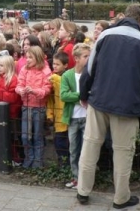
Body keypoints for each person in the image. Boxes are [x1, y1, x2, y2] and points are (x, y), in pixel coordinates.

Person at [76, 4, 140, 209]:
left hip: (99, 101)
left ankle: (82, 191)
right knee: (123, 152)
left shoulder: (105, 35)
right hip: (128, 106)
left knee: (90, 146)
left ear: (125, 16)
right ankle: (120, 198)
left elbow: (89, 68)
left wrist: (84, 95)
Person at [60, 43, 92, 190]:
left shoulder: (91, 74)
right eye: (86, 56)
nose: (89, 58)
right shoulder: (67, 75)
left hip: (88, 118)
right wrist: (81, 96)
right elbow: (64, 95)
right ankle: (75, 177)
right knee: (74, 149)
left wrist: (84, 97)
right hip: (73, 118)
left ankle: (86, 179)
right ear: (77, 58)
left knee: (88, 151)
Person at [16, 46, 52, 168]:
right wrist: (21, 91)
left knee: (37, 135)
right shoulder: (24, 70)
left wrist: (34, 91)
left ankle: (38, 161)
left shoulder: (46, 71)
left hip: (39, 108)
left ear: (38, 57)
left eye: (30, 57)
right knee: (25, 136)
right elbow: (18, 85)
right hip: (26, 106)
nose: (27, 60)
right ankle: (29, 157)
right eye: (27, 57)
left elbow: (47, 89)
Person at [0, 55, 22, 164]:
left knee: (13, 137)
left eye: (1, 65)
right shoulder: (1, 78)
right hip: (3, 112)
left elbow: (13, 97)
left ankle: (17, 158)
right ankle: (9, 157)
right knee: (5, 136)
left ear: (9, 66)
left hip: (12, 113)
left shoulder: (13, 79)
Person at [46, 51, 70, 168]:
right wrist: (49, 114)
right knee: (58, 142)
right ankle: (63, 163)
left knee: (67, 142)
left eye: (58, 64)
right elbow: (51, 100)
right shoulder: (53, 78)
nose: (54, 66)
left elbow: (62, 87)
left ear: (65, 65)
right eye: (53, 64)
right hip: (58, 118)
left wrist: (54, 78)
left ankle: (68, 164)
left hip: (67, 117)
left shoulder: (66, 77)